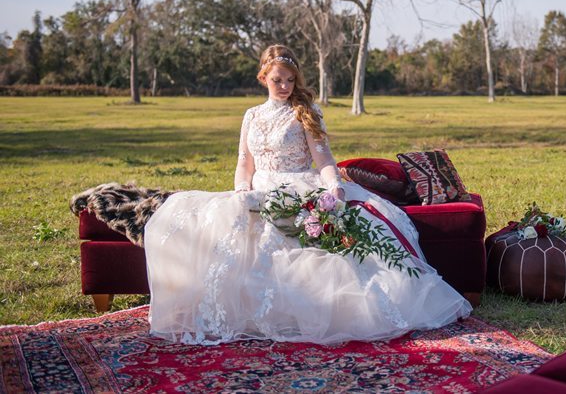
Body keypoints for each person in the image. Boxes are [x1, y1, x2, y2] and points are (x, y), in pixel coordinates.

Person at [144, 44, 472, 345]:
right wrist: (241, 190)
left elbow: (325, 160)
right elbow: (244, 164)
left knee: (314, 245)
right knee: (208, 221)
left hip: (301, 186)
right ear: (263, 78)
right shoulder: (252, 116)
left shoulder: (306, 111)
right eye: (277, 80)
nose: (284, 86)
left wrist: (334, 187)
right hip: (259, 190)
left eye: (290, 79)